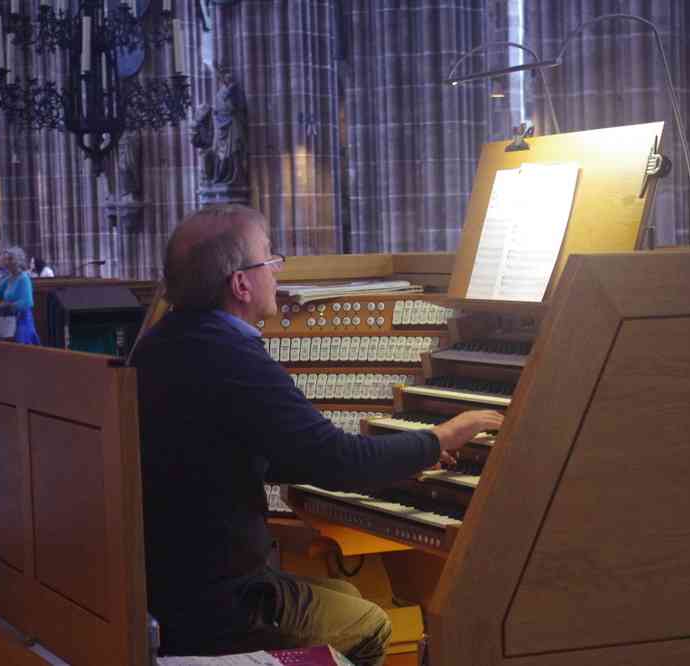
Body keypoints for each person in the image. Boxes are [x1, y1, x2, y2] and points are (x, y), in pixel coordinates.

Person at [131, 205, 502, 664]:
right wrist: (440, 437)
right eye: (270, 259)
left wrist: (410, 454)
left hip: (174, 584)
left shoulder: (162, 342)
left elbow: (252, 450)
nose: (278, 271)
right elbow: (337, 461)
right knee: (368, 625)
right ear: (241, 284)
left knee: (343, 589)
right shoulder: (232, 358)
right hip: (220, 602)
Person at [0, 246, 41, 345]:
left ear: (18, 260)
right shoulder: (8, 278)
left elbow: (28, 302)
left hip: (22, 321)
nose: (7, 262)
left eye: (10, 259)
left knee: (22, 350)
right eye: (6, 259)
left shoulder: (23, 278)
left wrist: (7, 305)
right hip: (9, 321)